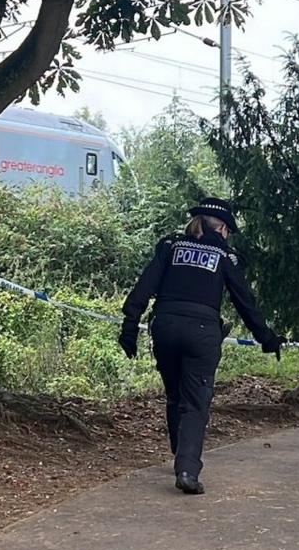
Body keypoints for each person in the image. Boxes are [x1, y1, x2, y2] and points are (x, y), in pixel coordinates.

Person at [119, 198, 282, 494]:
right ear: (220, 228)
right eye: (228, 231)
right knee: (195, 402)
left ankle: (179, 455)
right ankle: (187, 469)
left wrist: (130, 328)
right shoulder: (224, 255)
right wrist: (266, 338)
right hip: (203, 331)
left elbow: (143, 287)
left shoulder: (170, 246)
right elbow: (244, 301)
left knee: (175, 395)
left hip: (165, 327)